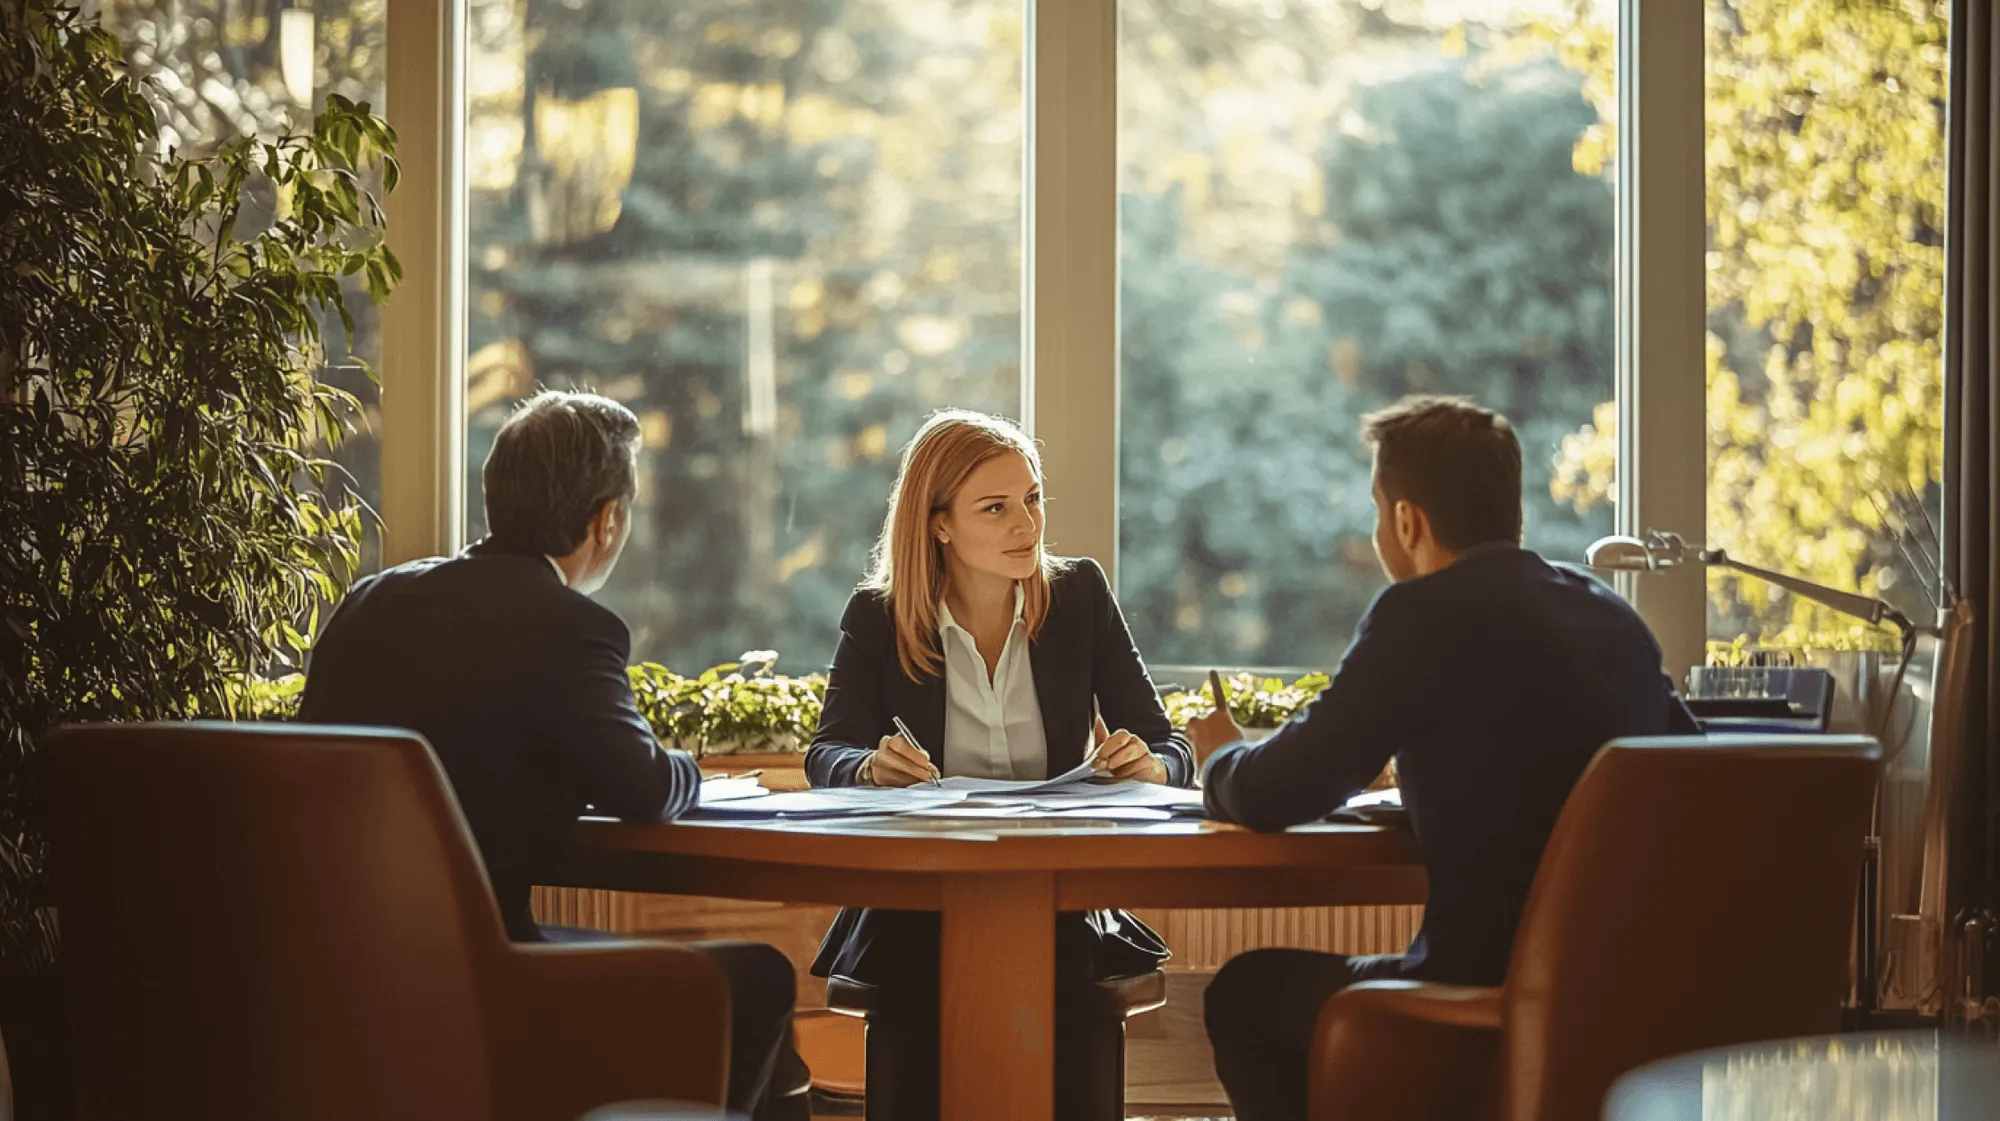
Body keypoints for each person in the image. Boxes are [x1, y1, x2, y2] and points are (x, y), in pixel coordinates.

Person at [1188, 395, 1701, 1121]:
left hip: (1480, 988)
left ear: (1406, 520)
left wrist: (1220, 758)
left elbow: (1275, 791)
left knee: (1243, 994)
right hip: (1625, 999)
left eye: (1377, 510)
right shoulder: (1610, 615)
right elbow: (1683, 764)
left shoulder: (1420, 615)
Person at [301, 390, 805, 1120]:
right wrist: (695, 767)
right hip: (480, 974)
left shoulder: (370, 602)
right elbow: (644, 785)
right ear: (608, 520)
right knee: (757, 977)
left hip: (334, 965)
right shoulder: (568, 627)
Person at [805, 409, 1194, 1121]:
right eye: (996, 507)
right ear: (939, 523)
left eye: (1033, 498)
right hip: (921, 897)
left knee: (1064, 978)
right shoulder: (877, 617)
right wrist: (870, 768)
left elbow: (1170, 744)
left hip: (1057, 893)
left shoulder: (1078, 596)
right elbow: (826, 755)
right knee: (923, 981)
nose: (1027, 524)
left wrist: (1153, 764)